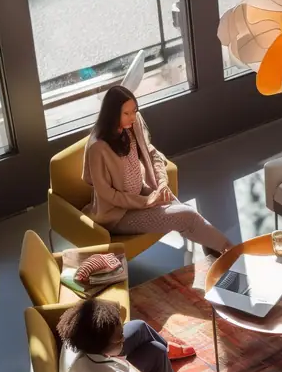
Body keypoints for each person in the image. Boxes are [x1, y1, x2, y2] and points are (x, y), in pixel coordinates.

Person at [83, 85, 232, 255]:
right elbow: (107, 195)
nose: (133, 116)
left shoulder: (132, 125)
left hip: (144, 192)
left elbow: (152, 153)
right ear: (112, 113)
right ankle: (230, 250)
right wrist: (146, 202)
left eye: (135, 110)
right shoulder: (98, 148)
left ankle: (218, 252)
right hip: (119, 215)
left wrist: (161, 183)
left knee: (185, 213)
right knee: (187, 215)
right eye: (127, 113)